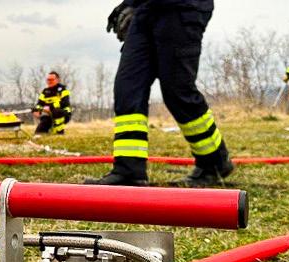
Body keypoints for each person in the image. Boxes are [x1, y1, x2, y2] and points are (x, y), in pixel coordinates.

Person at [86, 0, 232, 187]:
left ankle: (214, 162)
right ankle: (129, 171)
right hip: (147, 10)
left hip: (181, 9)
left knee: (177, 91)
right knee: (128, 88)